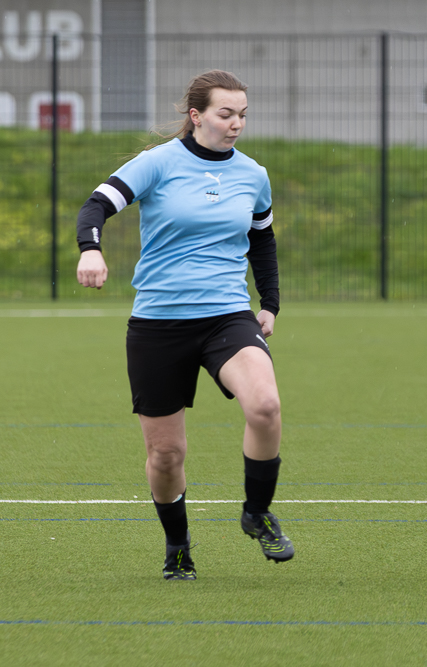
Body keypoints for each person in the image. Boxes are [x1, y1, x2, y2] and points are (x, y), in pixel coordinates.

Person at [75, 70, 294, 580]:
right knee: (167, 454)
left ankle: (256, 511)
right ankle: (178, 545)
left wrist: (271, 303)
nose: (236, 123)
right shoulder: (159, 163)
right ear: (196, 115)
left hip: (226, 315)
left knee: (264, 405)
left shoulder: (252, 174)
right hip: (158, 323)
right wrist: (91, 250)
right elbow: (96, 205)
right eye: (225, 113)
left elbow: (262, 239)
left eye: (242, 114)